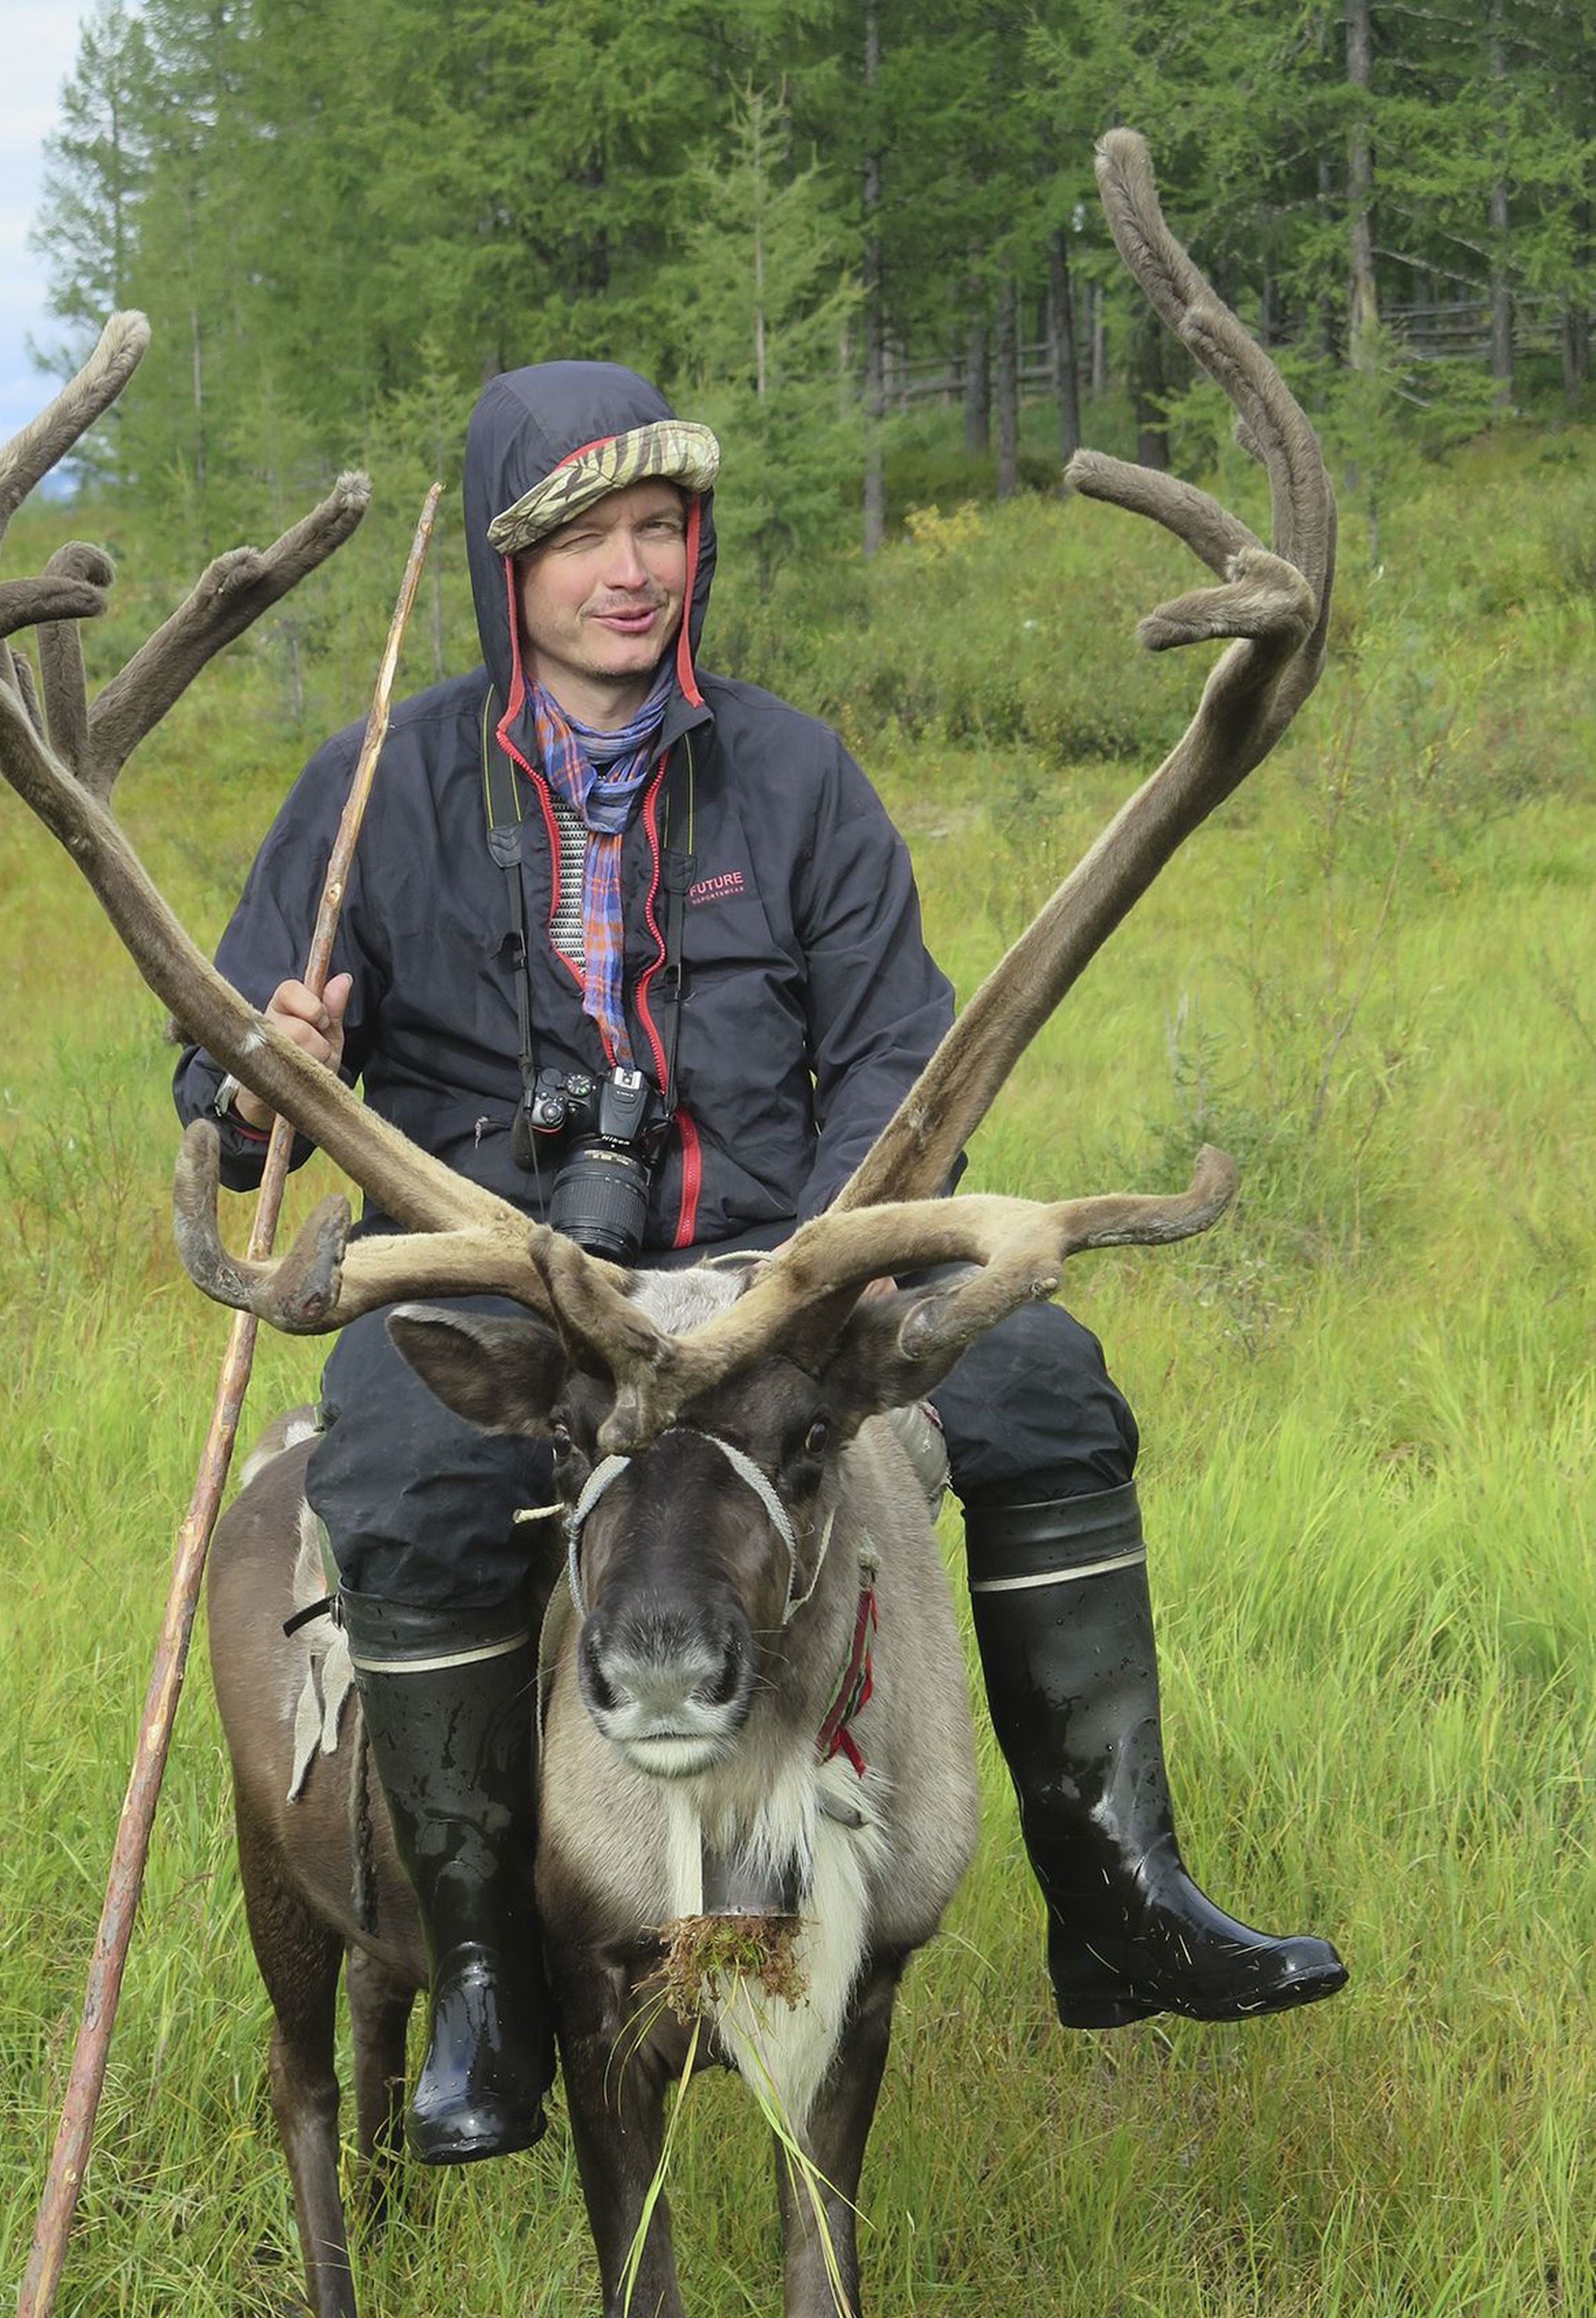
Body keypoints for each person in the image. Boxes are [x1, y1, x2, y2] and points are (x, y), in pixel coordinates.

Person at [175, 362, 1345, 2165]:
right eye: (582, 539)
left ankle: (1120, 1884)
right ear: (509, 566)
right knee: (406, 1480)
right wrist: (277, 1066)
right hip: (513, 1288)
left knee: (1046, 1387)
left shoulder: (788, 772)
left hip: (773, 1280)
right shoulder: (381, 788)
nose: (629, 572)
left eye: (659, 530)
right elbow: (229, 1105)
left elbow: (902, 1052)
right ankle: (487, 1984)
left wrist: (836, 1256)